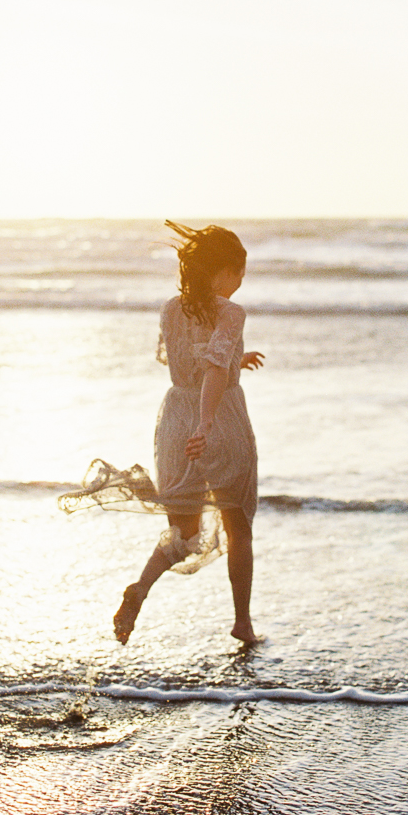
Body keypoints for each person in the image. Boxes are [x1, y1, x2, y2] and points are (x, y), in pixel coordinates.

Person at [58, 220, 264, 645]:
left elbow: (187, 362)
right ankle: (242, 623)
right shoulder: (231, 312)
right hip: (220, 420)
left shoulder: (172, 309)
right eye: (238, 272)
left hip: (174, 421)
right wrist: (207, 422)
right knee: (238, 525)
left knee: (184, 536)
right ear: (222, 271)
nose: (241, 281)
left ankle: (140, 589)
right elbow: (210, 369)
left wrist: (234, 362)